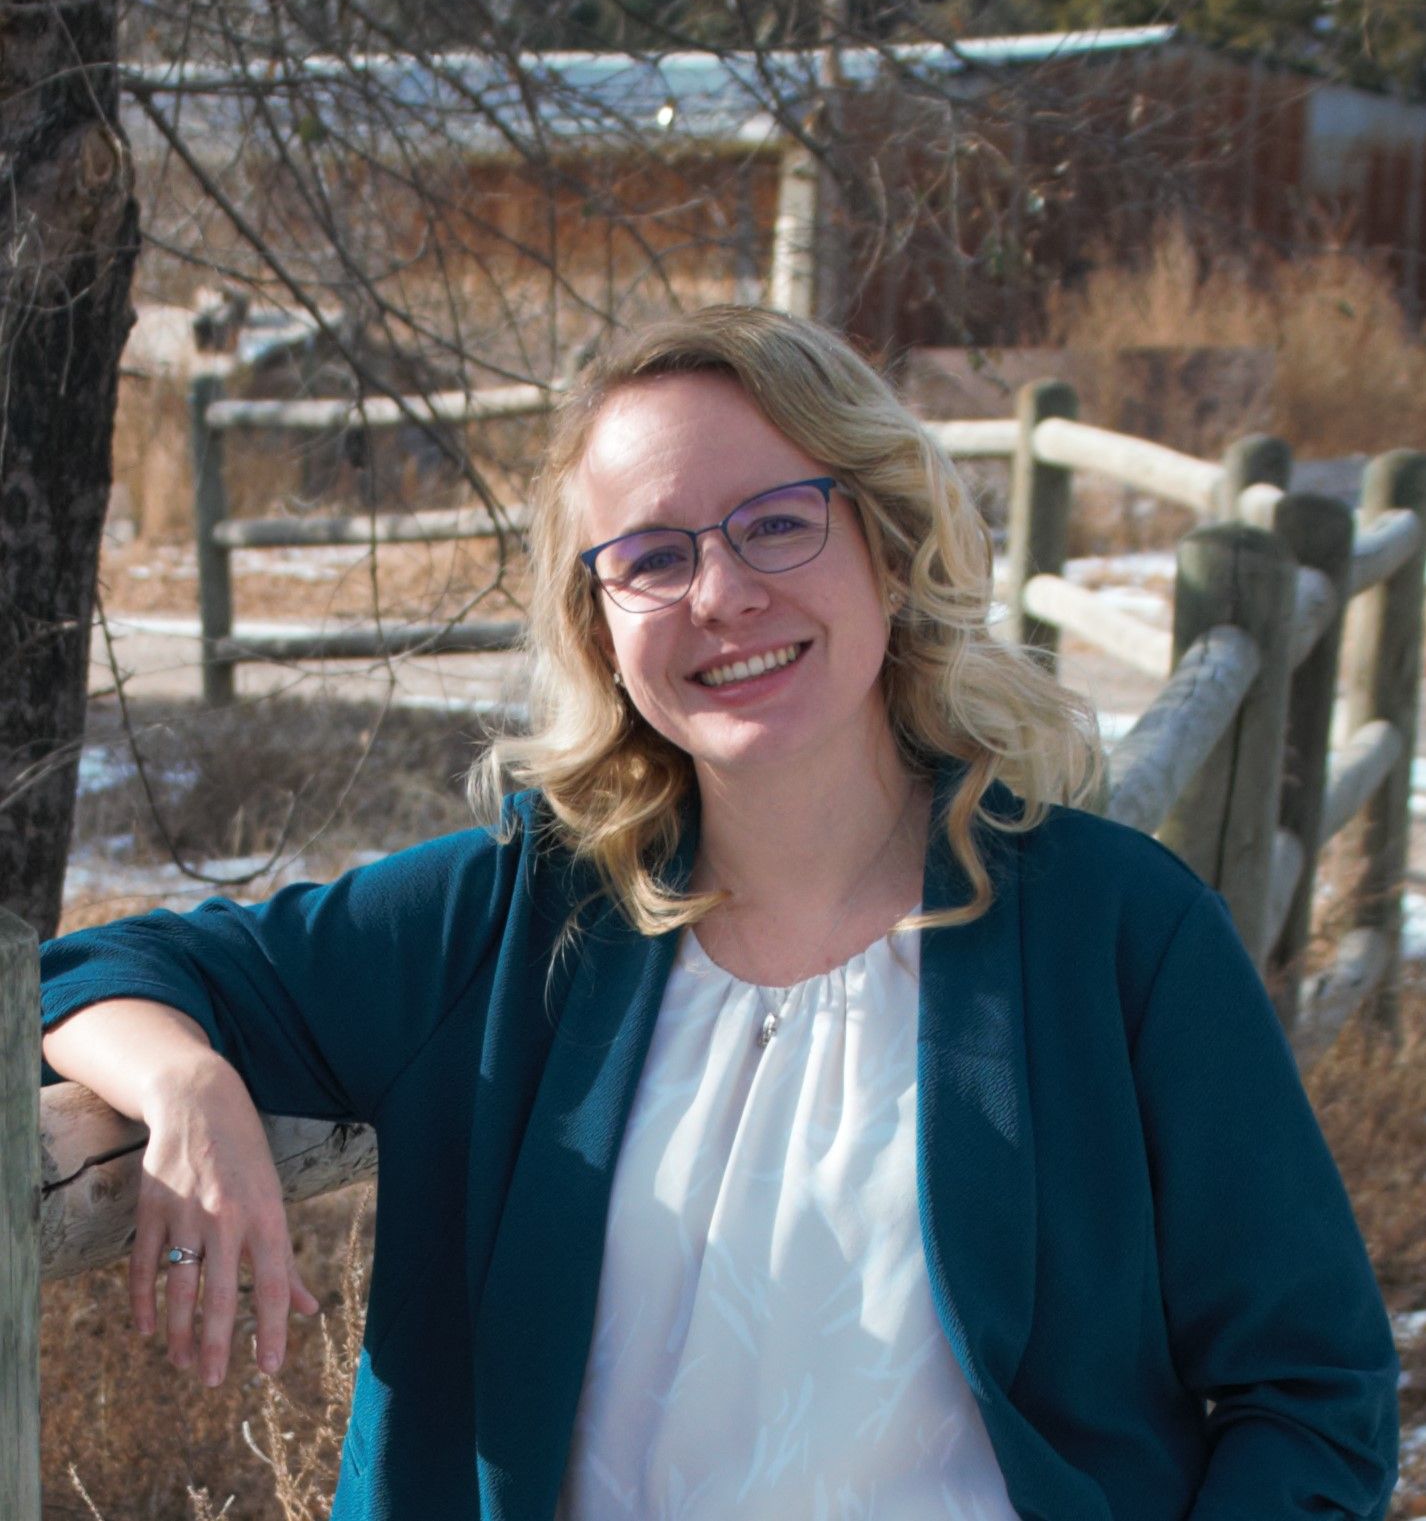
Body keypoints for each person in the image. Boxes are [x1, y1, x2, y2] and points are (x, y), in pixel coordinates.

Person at [41, 305, 1397, 1519]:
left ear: (885, 538)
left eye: (775, 521)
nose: (721, 593)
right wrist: (191, 1086)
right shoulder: (521, 919)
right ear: (600, 620)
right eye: (651, 554)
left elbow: (1309, 1393)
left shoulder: (1116, 936)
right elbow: (103, 964)